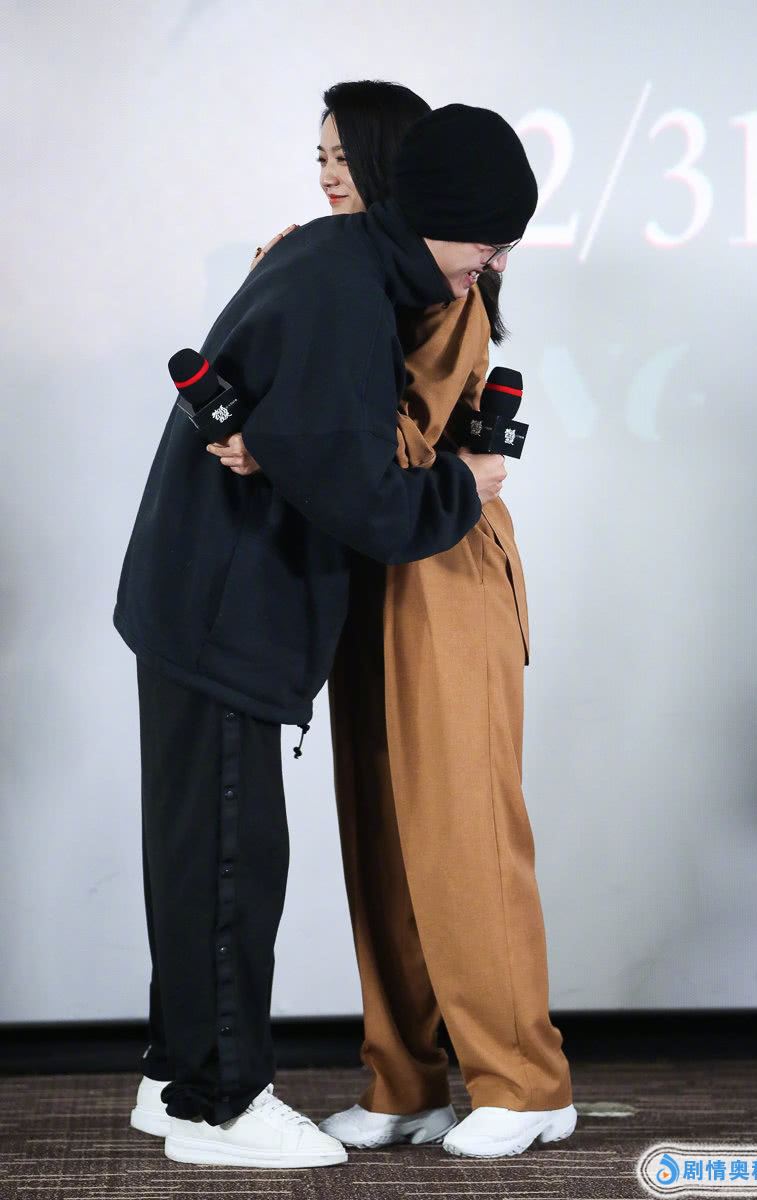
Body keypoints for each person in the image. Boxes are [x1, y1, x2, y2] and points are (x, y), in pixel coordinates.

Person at [114, 100, 534, 1170]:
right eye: (489, 243)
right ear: (441, 217)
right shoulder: (345, 291)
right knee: (229, 858)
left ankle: (175, 1077)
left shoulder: (337, 264)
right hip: (227, 612)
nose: (493, 266)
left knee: (199, 848)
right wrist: (468, 482)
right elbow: (371, 502)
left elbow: (311, 445)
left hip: (204, 599)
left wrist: (290, 448)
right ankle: (218, 1107)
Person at [220, 86, 576, 1161]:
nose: (329, 174)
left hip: (446, 571)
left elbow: (386, 446)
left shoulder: (443, 290)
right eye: (318, 156)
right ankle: (405, 1080)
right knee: (378, 834)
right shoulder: (340, 270)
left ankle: (523, 1081)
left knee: (463, 829)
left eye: (345, 156)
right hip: (366, 568)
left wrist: (283, 436)